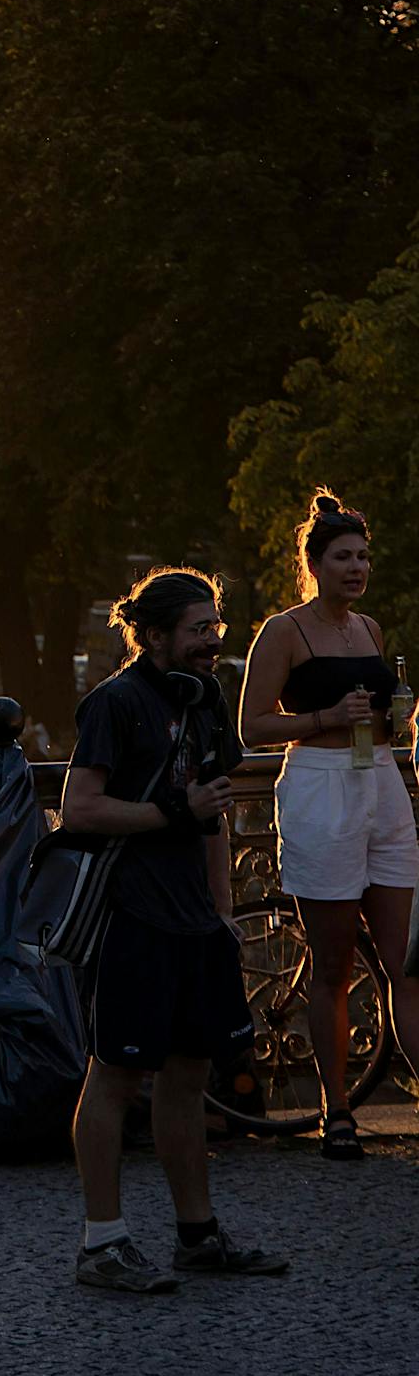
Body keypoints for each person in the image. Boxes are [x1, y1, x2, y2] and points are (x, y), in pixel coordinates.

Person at [62, 568, 287, 1293]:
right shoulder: (114, 703)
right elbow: (82, 810)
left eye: (216, 628)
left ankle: (198, 1235)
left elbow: (214, 808)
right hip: (133, 915)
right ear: (154, 636)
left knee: (190, 1074)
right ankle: (103, 1244)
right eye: (199, 630)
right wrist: (171, 813)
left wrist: (222, 912)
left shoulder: (205, 699)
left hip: (194, 920)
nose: (213, 642)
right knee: (117, 1074)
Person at [238, 492, 419, 1158]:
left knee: (408, 959)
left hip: (380, 785)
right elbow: (252, 727)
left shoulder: (369, 630)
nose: (357, 567)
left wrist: (399, 721)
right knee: (335, 964)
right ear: (312, 564)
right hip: (319, 789)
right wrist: (323, 719)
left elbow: (378, 715)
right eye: (343, 556)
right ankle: (335, 1110)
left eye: (364, 556)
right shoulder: (284, 631)